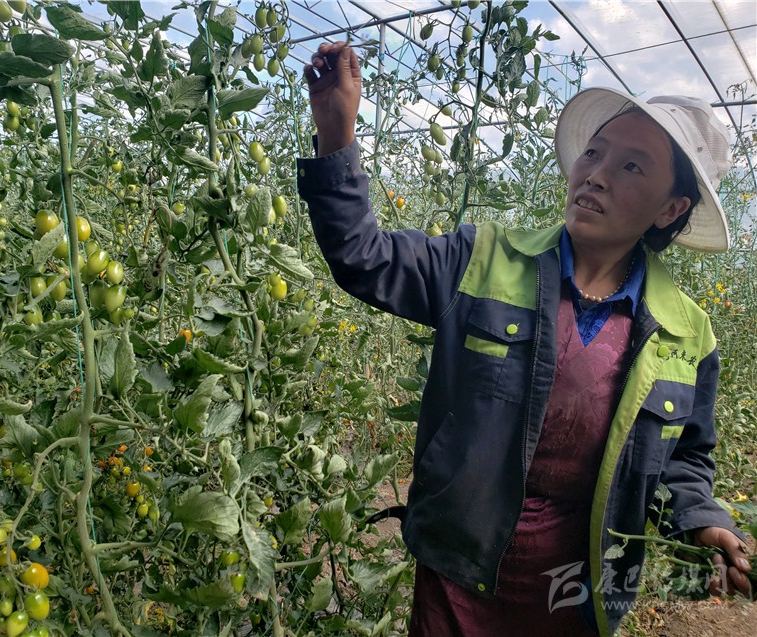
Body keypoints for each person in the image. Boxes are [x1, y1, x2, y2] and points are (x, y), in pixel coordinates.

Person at [296, 41, 753, 636]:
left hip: (578, 591)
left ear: (670, 209)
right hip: (461, 571)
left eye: (631, 166)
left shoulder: (687, 333)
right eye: (594, 152)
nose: (595, 174)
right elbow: (365, 257)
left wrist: (701, 518)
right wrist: (336, 133)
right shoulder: (482, 258)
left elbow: (685, 458)